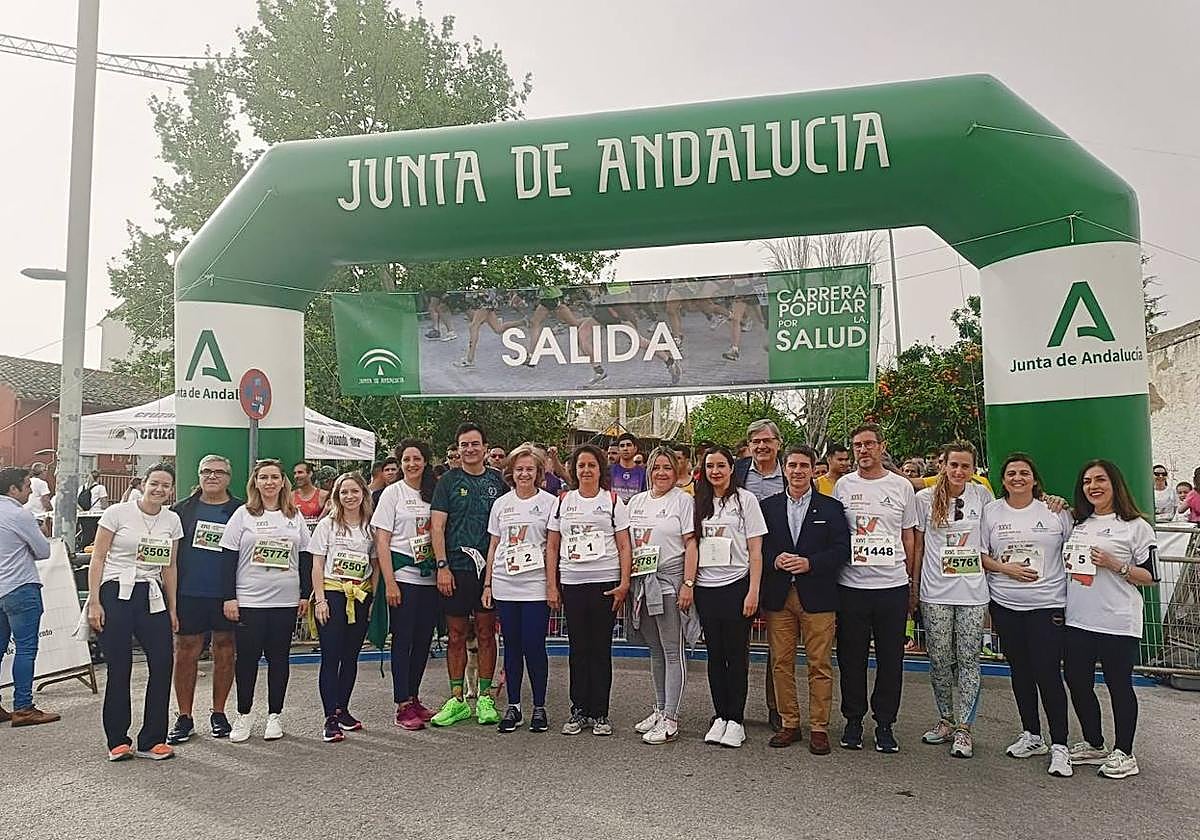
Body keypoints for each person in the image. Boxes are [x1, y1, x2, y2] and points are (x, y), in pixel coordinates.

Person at [980, 453, 1074, 777]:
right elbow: (980, 555)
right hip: (1006, 603)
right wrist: (1006, 568)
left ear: (1034, 479)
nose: (1017, 478)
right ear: (1003, 480)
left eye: (1023, 473)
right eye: (1010, 474)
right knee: (1019, 671)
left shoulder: (1055, 510)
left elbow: (1074, 550)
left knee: (1047, 672)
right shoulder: (991, 512)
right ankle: (1032, 734)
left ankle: (1060, 745)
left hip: (1047, 603)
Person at [1063, 460, 1158, 780]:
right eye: (1087, 481)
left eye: (1100, 479)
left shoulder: (1136, 526)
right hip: (1079, 619)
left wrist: (1116, 565)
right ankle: (1094, 742)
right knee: (1077, 681)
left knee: (1119, 686)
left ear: (1115, 483)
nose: (1093, 486)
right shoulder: (1079, 523)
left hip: (1117, 620)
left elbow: (1151, 576)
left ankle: (1125, 752)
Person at [87, 463, 182, 760]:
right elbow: (98, 557)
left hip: (152, 594)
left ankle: (153, 738)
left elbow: (170, 567)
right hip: (116, 591)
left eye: (166, 485)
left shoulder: (173, 520)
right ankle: (117, 739)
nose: (159, 489)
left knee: (163, 662)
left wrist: (173, 609)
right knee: (119, 666)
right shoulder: (118, 513)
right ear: (143, 483)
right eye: (154, 483)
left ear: (172, 490)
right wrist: (94, 601)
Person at [833, 423, 918, 754]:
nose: (863, 450)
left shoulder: (901, 487)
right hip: (852, 586)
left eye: (869, 444)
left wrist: (911, 580)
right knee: (851, 659)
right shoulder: (843, 485)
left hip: (892, 586)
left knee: (890, 660)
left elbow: (909, 535)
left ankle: (885, 724)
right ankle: (853, 720)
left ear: (882, 447)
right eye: (857, 445)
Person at [759, 446, 849, 755]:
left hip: (818, 596)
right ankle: (789, 723)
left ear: (814, 470)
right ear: (784, 469)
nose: (797, 471)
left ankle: (819, 727)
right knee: (781, 663)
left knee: (819, 664)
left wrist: (811, 563)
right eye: (792, 465)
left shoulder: (831, 508)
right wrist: (774, 559)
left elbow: (841, 550)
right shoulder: (767, 507)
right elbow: (758, 547)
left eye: (803, 466)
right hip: (779, 596)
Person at [220, 459, 312, 743]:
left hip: (285, 600)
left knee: (279, 659)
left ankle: (275, 715)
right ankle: (244, 714)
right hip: (250, 599)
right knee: (246, 660)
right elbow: (227, 558)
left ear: (283, 482)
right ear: (255, 483)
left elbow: (307, 556)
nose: (270, 482)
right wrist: (229, 597)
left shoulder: (293, 515)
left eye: (275, 477)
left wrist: (304, 594)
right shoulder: (242, 514)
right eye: (264, 477)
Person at [912, 441, 994, 759]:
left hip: (973, 593)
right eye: (954, 465)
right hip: (935, 593)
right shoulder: (924, 499)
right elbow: (918, 545)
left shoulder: (982, 496)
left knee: (969, 660)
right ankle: (946, 719)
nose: (959, 471)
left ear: (973, 469)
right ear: (942, 465)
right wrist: (914, 586)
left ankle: (965, 728)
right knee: (940, 660)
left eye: (965, 466)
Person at [546, 443, 632, 736]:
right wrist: (552, 585)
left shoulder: (612, 500)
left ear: (600, 469)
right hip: (572, 582)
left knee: (600, 649)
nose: (585, 470)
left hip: (605, 583)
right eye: (581, 465)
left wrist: (624, 582)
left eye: (591, 465)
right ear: (574, 469)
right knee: (578, 649)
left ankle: (600, 712)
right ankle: (579, 709)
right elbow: (553, 546)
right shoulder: (563, 501)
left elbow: (623, 544)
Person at [429, 422, 509, 727]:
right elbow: (437, 527)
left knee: (488, 634)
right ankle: (457, 699)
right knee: (457, 636)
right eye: (464, 444)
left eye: (475, 443)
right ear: (458, 449)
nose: (470, 449)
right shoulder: (447, 482)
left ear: (485, 448)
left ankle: (486, 698)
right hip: (456, 570)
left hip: (489, 571)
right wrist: (442, 566)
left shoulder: (498, 482)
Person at [692, 445, 766, 749]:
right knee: (714, 656)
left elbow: (756, 551)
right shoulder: (699, 502)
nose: (715, 472)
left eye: (721, 465)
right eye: (710, 466)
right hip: (705, 588)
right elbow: (693, 545)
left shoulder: (745, 500)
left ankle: (736, 719)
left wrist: (753, 591)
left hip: (737, 585)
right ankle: (720, 715)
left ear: (731, 468)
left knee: (736, 656)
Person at [625, 446, 699, 744]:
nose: (662, 473)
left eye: (667, 467)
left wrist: (688, 584)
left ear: (676, 470)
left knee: (672, 650)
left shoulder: (683, 501)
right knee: (654, 650)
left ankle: (671, 717)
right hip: (643, 582)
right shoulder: (637, 502)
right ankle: (659, 708)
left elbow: (691, 544)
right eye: (656, 467)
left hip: (670, 581)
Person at [167, 455, 243, 744]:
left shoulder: (241, 510)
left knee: (225, 649)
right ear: (198, 475)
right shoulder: (180, 511)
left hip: (226, 594)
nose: (212, 476)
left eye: (219, 472)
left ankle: (219, 713)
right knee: (186, 651)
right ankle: (184, 716)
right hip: (189, 592)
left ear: (229, 477)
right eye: (206, 472)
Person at [481, 445, 556, 733]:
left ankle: (539, 706)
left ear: (538, 473)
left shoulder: (550, 503)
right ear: (512, 472)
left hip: (535, 586)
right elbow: (494, 545)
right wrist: (488, 583)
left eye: (530, 469)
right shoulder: (501, 504)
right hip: (505, 584)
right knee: (511, 646)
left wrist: (552, 586)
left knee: (535, 645)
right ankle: (514, 706)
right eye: (520, 469)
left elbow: (552, 546)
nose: (524, 474)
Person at [370, 439, 441, 730]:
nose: (412, 464)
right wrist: (390, 583)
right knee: (403, 640)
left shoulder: (434, 492)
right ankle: (401, 704)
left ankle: (414, 696)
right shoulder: (392, 494)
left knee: (424, 640)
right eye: (406, 460)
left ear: (425, 461)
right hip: (404, 576)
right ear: (400, 464)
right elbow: (382, 541)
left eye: (417, 459)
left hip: (430, 578)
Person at [311, 472, 378, 742]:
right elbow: (317, 563)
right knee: (331, 656)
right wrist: (320, 599)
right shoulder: (327, 525)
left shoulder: (370, 527)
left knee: (351, 657)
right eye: (343, 492)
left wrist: (372, 597)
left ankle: (342, 710)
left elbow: (374, 564)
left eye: (354, 491)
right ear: (337, 496)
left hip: (359, 595)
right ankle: (329, 718)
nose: (349, 497)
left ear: (363, 493)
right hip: (333, 594)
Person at [0, 467, 57, 726]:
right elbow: (43, 550)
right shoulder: (18, 514)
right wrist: (41, 530)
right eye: (26, 484)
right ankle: (23, 706)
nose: (31, 489)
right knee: (25, 648)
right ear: (13, 489)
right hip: (20, 585)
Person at [734, 420, 785, 502]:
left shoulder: (790, 472)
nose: (761, 446)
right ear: (749, 445)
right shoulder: (735, 469)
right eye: (756, 442)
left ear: (778, 444)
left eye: (767, 441)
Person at [24, 462, 52, 536]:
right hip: (38, 517)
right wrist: (52, 510)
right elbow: (45, 500)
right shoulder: (42, 483)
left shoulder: (29, 481)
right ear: (42, 472)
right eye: (46, 470)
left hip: (26, 515)